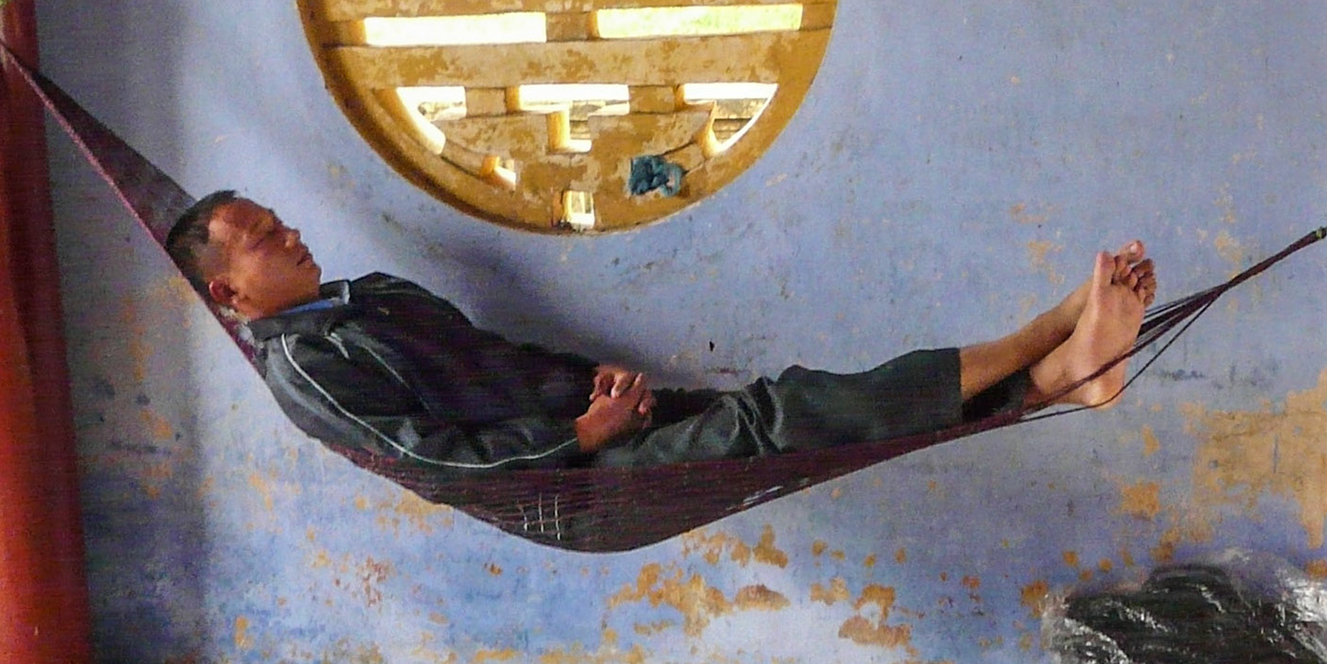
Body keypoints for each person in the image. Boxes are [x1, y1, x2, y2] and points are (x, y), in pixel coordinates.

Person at [165, 191, 1157, 473]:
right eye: (259, 240)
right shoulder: (307, 363)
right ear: (228, 295)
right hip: (569, 480)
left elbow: (496, 362)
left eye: (275, 221)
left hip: (606, 422)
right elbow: (432, 455)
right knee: (791, 412)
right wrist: (581, 437)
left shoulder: (370, 292)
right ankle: (1057, 331)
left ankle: (1063, 380)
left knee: (791, 407)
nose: (285, 233)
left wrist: (595, 387)